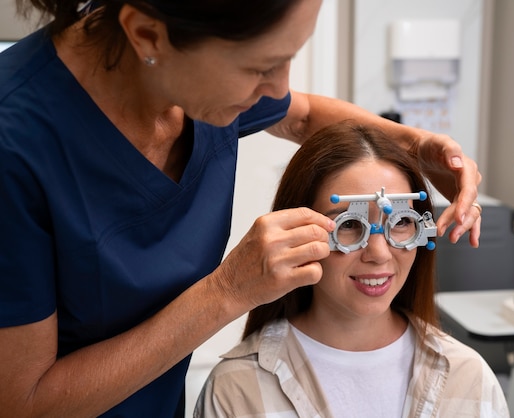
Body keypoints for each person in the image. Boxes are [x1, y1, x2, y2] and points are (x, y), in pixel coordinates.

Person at [0, 1, 483, 416]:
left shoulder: (183, 74)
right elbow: (21, 403)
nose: (277, 90)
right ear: (148, 35)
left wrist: (414, 146)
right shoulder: (17, 148)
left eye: (289, 58)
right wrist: (227, 291)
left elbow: (303, 116)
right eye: (260, 68)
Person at [194, 122, 508, 418]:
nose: (378, 254)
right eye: (349, 226)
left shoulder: (469, 379)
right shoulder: (236, 390)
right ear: (296, 234)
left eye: (400, 223)